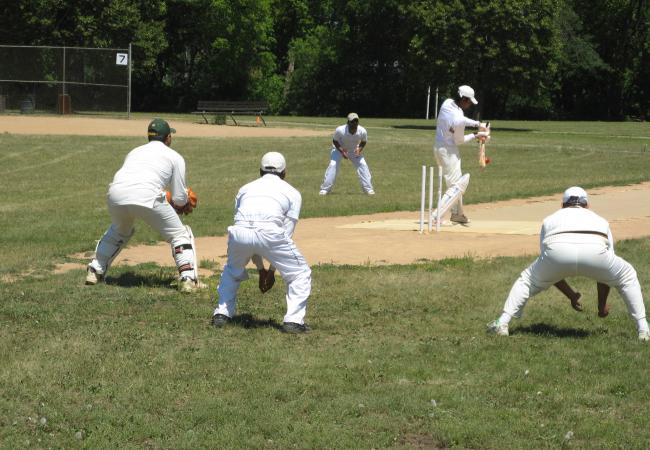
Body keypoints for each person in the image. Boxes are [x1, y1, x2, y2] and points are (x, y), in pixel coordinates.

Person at [487, 186, 650, 340]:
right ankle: (643, 329)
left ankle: (502, 323)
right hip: (595, 252)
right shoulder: (601, 221)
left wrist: (571, 295)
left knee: (526, 280)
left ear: (562, 205)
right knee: (627, 275)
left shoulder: (549, 220)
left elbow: (551, 267)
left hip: (557, 251)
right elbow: (606, 274)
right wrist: (601, 307)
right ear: (587, 205)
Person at [85, 118, 206, 293]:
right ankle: (188, 279)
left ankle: (95, 270)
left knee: (119, 230)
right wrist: (183, 202)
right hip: (147, 196)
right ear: (168, 137)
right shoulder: (175, 157)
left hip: (115, 194)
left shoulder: (134, 152)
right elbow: (180, 199)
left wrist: (166, 197)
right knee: (180, 234)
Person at [212, 152, 312, 333]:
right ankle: (294, 321)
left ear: (260, 171)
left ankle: (222, 313)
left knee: (232, 270)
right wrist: (271, 270)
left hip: (239, 233)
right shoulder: (293, 192)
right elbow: (286, 233)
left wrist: (261, 269)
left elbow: (248, 231)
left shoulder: (245, 188)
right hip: (270, 233)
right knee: (299, 273)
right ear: (284, 173)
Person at [433, 85, 488, 224]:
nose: (469, 105)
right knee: (456, 186)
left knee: (455, 182)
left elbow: (462, 120)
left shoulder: (447, 103)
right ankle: (436, 216)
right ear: (463, 99)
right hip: (449, 151)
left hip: (439, 148)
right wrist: (476, 134)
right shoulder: (458, 117)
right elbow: (459, 140)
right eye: (469, 102)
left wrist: (477, 124)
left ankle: (457, 214)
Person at [319, 113, 375, 195]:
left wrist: (359, 149)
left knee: (363, 165)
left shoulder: (362, 131)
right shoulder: (340, 130)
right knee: (333, 165)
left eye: (356, 121)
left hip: (353, 150)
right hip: (339, 149)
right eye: (352, 121)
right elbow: (335, 141)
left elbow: (363, 141)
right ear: (348, 122)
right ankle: (325, 189)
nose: (355, 123)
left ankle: (368, 189)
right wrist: (342, 151)